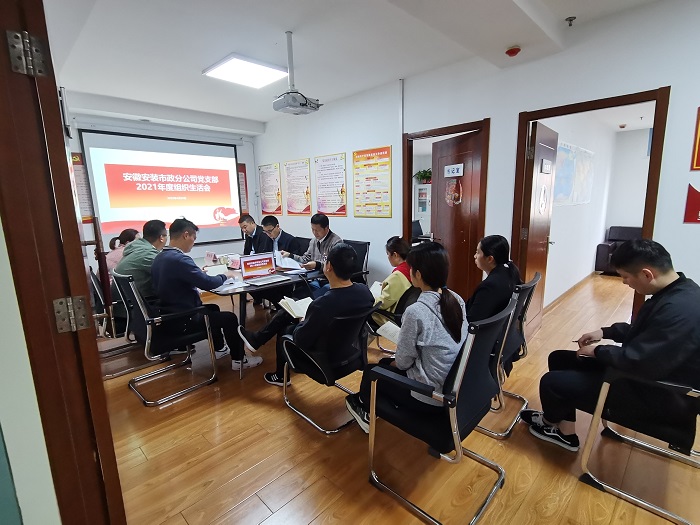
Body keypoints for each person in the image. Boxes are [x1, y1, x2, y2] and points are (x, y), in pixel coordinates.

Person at [520, 239, 700, 452]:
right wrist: (605, 333)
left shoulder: (679, 310)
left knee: (551, 382)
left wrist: (598, 351)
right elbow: (646, 334)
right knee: (559, 358)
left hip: (655, 395)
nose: (625, 283)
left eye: (626, 277)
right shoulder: (679, 292)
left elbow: (640, 361)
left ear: (647, 274)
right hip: (641, 377)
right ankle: (565, 431)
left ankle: (550, 423)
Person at [345, 241, 468, 433]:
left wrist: (397, 361)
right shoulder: (456, 299)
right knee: (385, 363)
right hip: (453, 385)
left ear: (418, 274)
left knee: (372, 370)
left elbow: (403, 363)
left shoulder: (416, 311)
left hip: (428, 395)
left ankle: (365, 410)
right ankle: (368, 404)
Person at [237, 243, 374, 386]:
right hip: (351, 354)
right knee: (287, 312)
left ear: (328, 266)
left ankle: (280, 374)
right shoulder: (365, 292)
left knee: (285, 329)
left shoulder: (322, 304)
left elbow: (300, 339)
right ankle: (257, 340)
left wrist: (303, 321)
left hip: (322, 362)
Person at [151, 217, 263, 369]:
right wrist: (225, 276)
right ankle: (239, 361)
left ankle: (220, 349)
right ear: (186, 235)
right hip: (185, 319)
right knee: (230, 318)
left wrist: (197, 274)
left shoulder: (161, 257)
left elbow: (177, 280)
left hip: (169, 314)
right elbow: (208, 283)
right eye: (194, 238)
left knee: (213, 308)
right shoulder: (180, 259)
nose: (193, 243)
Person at [280, 213, 342, 298]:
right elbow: (305, 259)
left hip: (329, 281)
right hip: (315, 279)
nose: (315, 233)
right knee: (295, 294)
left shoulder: (336, 242)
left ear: (326, 228)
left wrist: (317, 265)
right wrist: (290, 255)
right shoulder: (313, 241)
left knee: (312, 296)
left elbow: (334, 266)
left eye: (317, 230)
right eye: (312, 229)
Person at [468, 235, 522, 322]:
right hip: (502, 327)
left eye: (477, 252)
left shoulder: (490, 286)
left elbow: (472, 320)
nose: (475, 256)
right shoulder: (509, 273)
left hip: (485, 329)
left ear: (490, 259)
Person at [114, 220, 167, 299]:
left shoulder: (138, 248)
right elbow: (171, 274)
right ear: (161, 238)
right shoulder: (147, 254)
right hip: (140, 302)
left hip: (125, 301)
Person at [371, 236, 412, 326]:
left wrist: (369, 299)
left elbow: (382, 303)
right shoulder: (411, 268)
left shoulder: (398, 276)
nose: (388, 257)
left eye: (388, 254)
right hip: (403, 313)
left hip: (389, 317)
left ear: (395, 255)